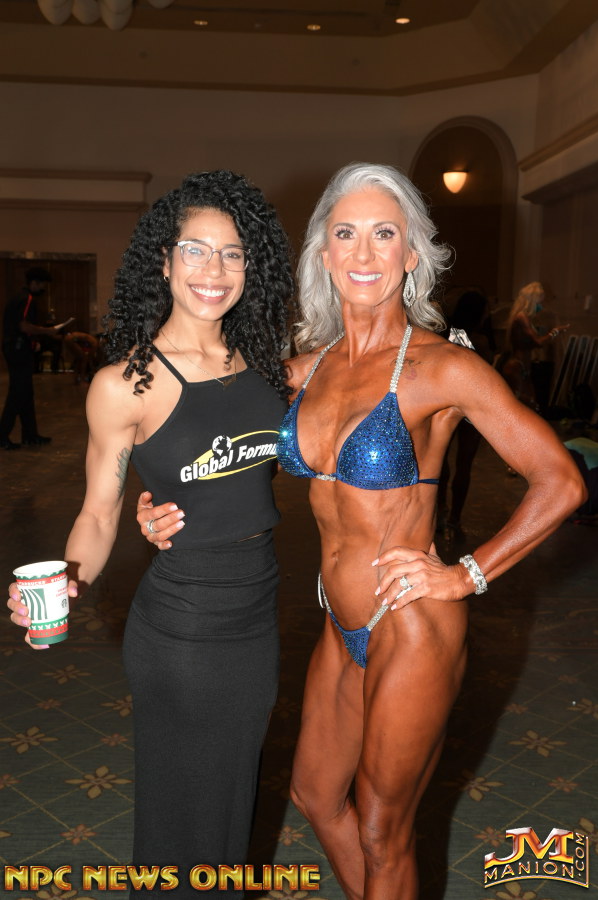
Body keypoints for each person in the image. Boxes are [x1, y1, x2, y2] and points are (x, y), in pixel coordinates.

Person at [132, 163, 585, 900]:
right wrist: (154, 506)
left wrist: (466, 574)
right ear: (323, 253)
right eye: (346, 234)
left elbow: (560, 481)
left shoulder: (443, 368)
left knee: (381, 827)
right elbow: (200, 442)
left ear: (412, 254)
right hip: (339, 624)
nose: (364, 253)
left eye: (384, 234)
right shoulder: (300, 373)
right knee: (315, 794)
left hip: (411, 623)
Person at [8, 171, 294, 897]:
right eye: (195, 250)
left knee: (230, 811)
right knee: (181, 820)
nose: (214, 270)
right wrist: (66, 583)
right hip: (183, 627)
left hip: (256, 616)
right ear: (163, 262)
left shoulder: (266, 365)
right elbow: (99, 513)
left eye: (232, 253)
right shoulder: (124, 384)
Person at [437, 288, 495, 540]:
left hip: (447, 404)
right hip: (472, 410)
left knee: (440, 461)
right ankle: (455, 519)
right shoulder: (480, 341)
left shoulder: (448, 336)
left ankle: (441, 512)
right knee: (464, 465)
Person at [0, 266, 61, 448]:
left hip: (17, 348)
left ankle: (30, 435)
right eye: (42, 285)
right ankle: (2, 436)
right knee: (18, 392)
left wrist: (35, 342)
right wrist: (48, 331)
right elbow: (24, 326)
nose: (43, 289)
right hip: (18, 351)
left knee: (26, 392)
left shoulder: (19, 298)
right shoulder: (26, 299)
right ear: (34, 283)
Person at [498, 281, 569, 409]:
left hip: (523, 366)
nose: (541, 306)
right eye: (539, 303)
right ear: (532, 301)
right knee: (524, 405)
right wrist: (555, 332)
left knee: (529, 403)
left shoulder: (524, 318)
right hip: (517, 366)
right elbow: (538, 342)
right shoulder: (522, 317)